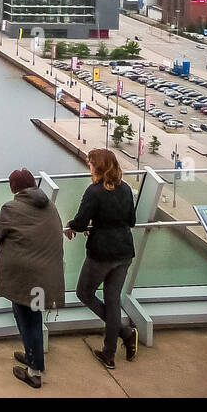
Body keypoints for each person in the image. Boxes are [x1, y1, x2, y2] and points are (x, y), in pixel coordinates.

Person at [0, 168, 65, 389]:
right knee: (35, 319)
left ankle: (34, 373)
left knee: (26, 320)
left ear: (14, 188)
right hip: (47, 275)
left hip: (24, 278)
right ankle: (33, 358)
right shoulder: (50, 205)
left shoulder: (12, 208)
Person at [66, 147, 138, 368]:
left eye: (90, 163)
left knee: (84, 293)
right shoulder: (125, 189)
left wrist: (74, 225)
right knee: (113, 300)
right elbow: (132, 221)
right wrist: (97, 224)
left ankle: (124, 333)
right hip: (124, 251)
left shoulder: (94, 191)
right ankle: (109, 352)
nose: (88, 167)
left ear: (97, 167)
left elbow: (79, 222)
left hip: (101, 254)